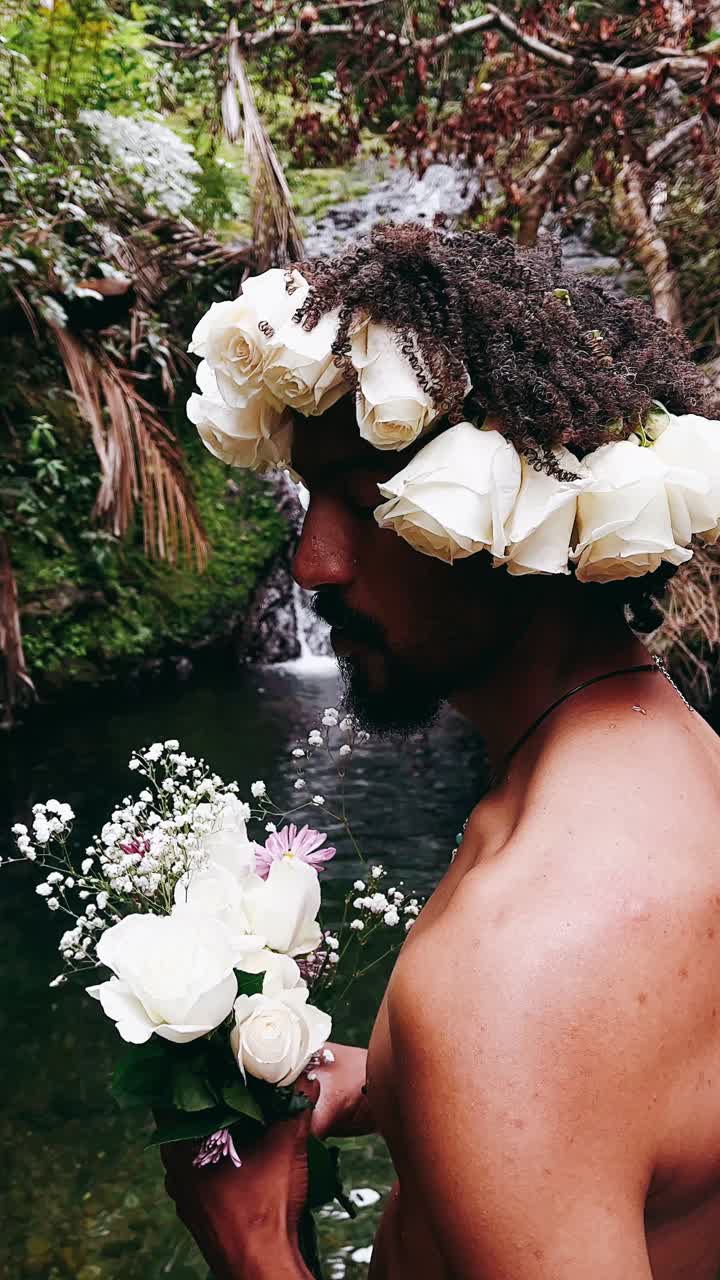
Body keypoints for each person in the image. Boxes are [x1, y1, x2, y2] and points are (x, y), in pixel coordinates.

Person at [166, 224, 720, 1278]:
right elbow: (634, 1090)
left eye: (368, 496)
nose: (314, 563)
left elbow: (537, 1021)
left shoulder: (523, 964)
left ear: (521, 502)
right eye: (311, 499)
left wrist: (254, 1250)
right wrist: (394, 1082)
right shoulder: (668, 759)